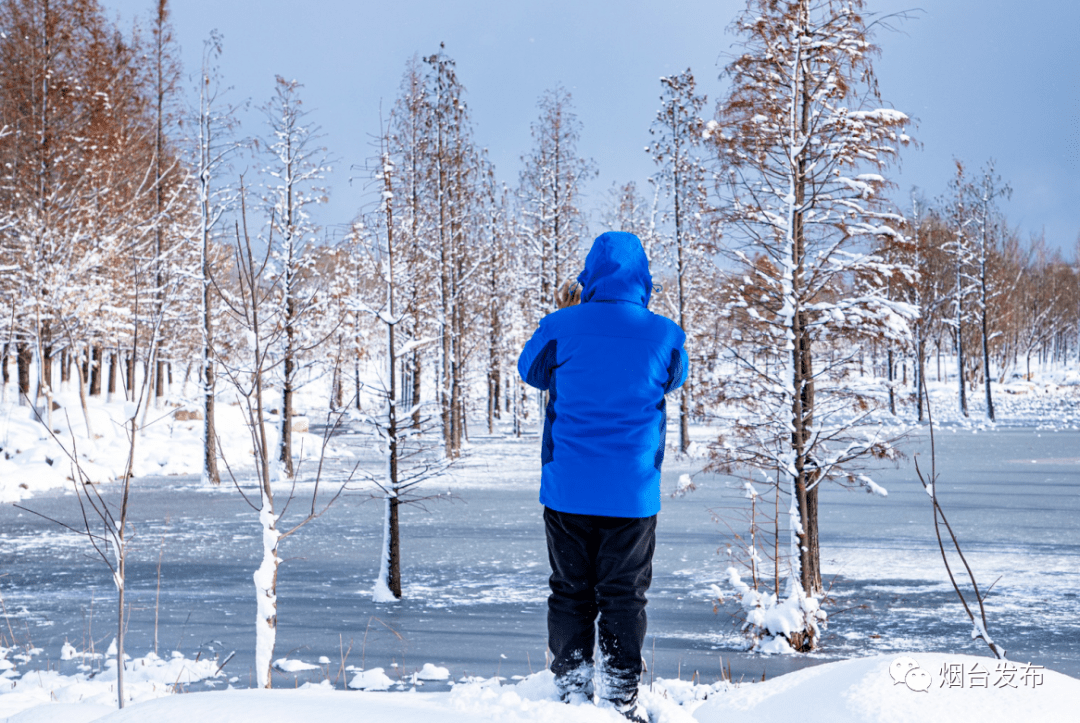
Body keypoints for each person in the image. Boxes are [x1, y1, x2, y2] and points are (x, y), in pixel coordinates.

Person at [517, 231, 688, 722]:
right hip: (632, 495)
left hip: (568, 487)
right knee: (624, 594)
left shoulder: (560, 325)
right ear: (644, 277)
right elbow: (675, 377)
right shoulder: (665, 334)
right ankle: (619, 698)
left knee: (570, 588)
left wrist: (572, 312)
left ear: (589, 273)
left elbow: (532, 370)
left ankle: (572, 692)